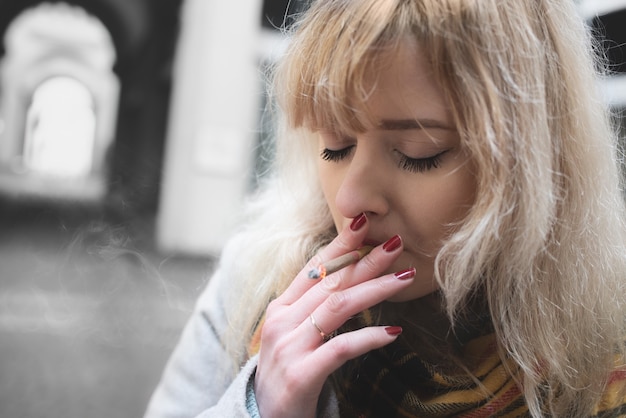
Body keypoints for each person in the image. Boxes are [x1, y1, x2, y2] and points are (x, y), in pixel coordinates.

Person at [144, 0, 626, 416]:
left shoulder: (609, 336)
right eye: (335, 146)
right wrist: (260, 406)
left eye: (419, 152)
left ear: (531, 162)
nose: (351, 199)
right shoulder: (251, 281)